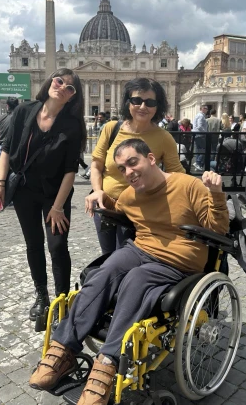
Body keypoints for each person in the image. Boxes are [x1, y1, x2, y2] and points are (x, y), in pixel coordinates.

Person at [30, 139, 230, 405]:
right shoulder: (130, 193)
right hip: (139, 250)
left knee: (138, 279)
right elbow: (118, 207)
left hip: (177, 261)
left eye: (132, 162)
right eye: (122, 168)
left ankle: (107, 363)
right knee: (105, 270)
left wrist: (216, 194)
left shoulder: (187, 185)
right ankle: (63, 349)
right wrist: (101, 195)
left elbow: (218, 230)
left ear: (150, 158)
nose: (128, 172)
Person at [0, 69, 86, 320]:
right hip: (25, 190)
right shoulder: (24, 110)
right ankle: (41, 294)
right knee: (33, 244)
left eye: (70, 88)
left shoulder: (73, 125)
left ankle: (62, 302)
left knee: (58, 245)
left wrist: (57, 207)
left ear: (73, 97)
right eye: (59, 81)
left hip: (56, 194)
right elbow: (7, 150)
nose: (62, 87)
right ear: (50, 81)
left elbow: (70, 170)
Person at [89, 78, 185, 255]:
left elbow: (177, 177)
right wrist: (96, 190)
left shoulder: (164, 138)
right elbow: (96, 166)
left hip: (141, 211)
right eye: (137, 100)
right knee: (107, 256)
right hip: (106, 207)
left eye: (150, 102)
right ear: (128, 102)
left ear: (158, 106)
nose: (143, 106)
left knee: (125, 259)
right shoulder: (111, 129)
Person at [192, 104, 208, 170]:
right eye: (206, 108)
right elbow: (199, 126)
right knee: (203, 150)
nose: (207, 110)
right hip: (200, 134)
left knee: (198, 150)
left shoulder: (198, 115)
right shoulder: (201, 116)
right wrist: (205, 132)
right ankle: (198, 162)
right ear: (202, 109)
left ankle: (198, 164)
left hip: (196, 134)